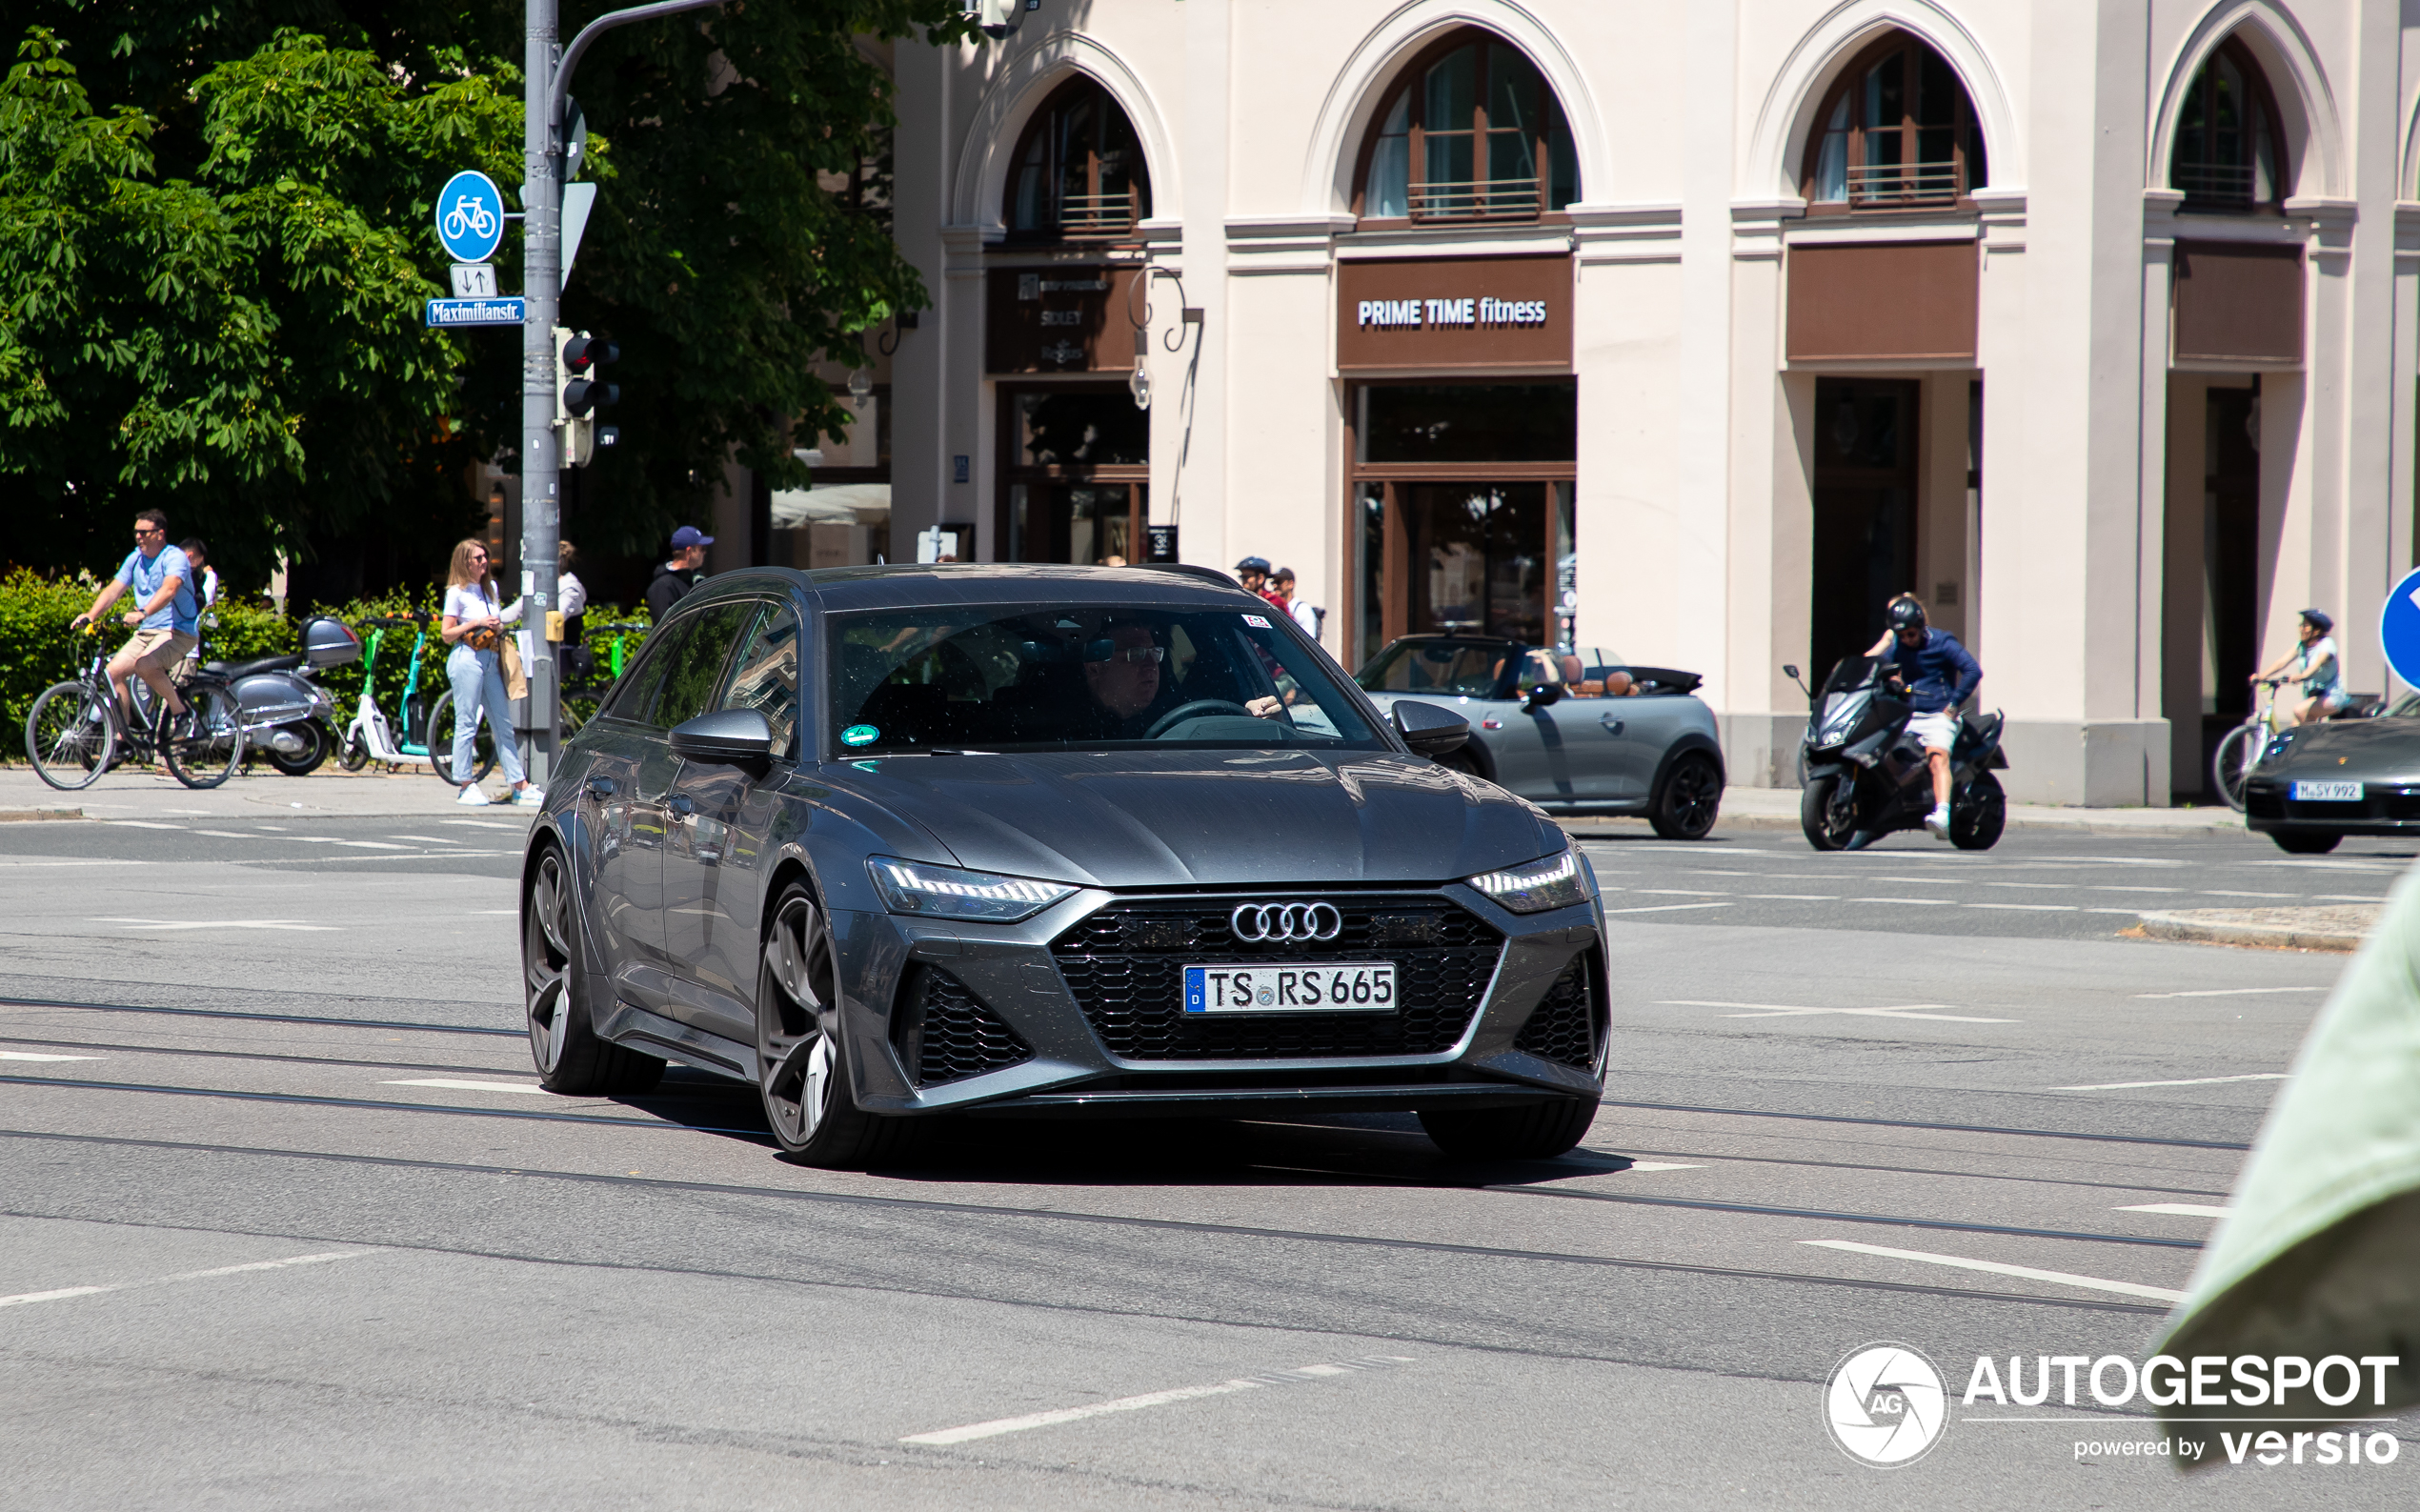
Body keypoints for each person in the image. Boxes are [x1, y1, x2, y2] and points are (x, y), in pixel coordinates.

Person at [1864, 594, 1982, 840]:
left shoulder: (1942, 642)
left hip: (1937, 715)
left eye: (1911, 634)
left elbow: (1972, 670)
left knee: (1937, 757)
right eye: (1901, 635)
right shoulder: (1896, 644)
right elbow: (1876, 667)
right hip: (1905, 714)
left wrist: (1954, 704)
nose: (1906, 639)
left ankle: (1942, 815)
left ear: (1920, 627)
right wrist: (1890, 676)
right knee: (1879, 754)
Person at [69, 509, 194, 736]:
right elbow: (114, 589)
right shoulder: (136, 558)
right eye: (136, 532)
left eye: (144, 532)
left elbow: (170, 589)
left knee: (145, 666)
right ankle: (122, 735)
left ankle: (181, 712)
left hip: (177, 631)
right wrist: (91, 614)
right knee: (112, 672)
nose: (138, 537)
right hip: (147, 631)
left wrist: (143, 612)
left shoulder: (174, 557)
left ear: (160, 533)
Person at [439, 538, 541, 807]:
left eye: (485, 557)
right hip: (467, 657)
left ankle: (520, 786)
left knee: (503, 723)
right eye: (478, 558)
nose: (484, 562)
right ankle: (464, 784)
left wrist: (495, 625)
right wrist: (476, 622)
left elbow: (495, 620)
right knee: (467, 722)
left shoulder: (490, 588)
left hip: (490, 657)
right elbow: (447, 633)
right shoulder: (456, 593)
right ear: (465, 562)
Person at [1078, 620, 1280, 739]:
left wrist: (1252, 713)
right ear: (1096, 668)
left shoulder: (1181, 710)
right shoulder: (1063, 729)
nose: (1151, 665)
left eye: (1154, 653)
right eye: (1136, 654)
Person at [2252, 609, 2346, 725]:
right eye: (2301, 625)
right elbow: (2282, 662)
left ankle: (2312, 742)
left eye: (2305, 626)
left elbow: (2317, 664)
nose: (2301, 629)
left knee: (2299, 710)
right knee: (2294, 734)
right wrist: (2261, 676)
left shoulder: (2327, 644)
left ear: (2316, 631)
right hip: (2312, 697)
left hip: (2332, 696)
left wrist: (2302, 676)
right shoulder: (2301, 646)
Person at [646, 526, 712, 620]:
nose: (704, 553)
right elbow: (666, 628)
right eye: (702, 549)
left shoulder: (696, 580)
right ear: (689, 551)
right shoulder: (663, 586)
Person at [1269, 568, 1324, 643]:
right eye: (1273, 582)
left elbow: (1310, 642)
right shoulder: (1274, 606)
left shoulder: (1302, 609)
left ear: (1290, 584)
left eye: (1279, 582)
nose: (1275, 586)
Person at [178, 538, 220, 611]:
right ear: (189, 557)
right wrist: (211, 575)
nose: (194, 571)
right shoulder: (185, 574)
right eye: (194, 568)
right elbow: (203, 600)